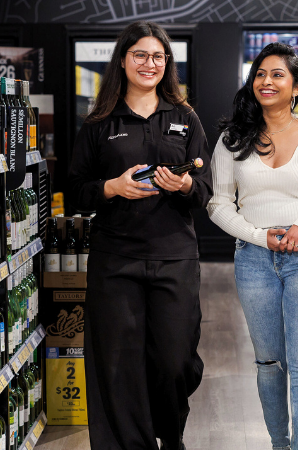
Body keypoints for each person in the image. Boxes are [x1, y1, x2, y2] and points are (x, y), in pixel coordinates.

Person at [67, 21, 211, 450]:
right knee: (117, 366)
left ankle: (171, 433)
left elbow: (207, 190)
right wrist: (112, 187)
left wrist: (184, 185)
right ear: (123, 60)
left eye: (158, 57)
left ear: (167, 64)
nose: (150, 64)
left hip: (174, 256)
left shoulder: (186, 118)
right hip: (116, 261)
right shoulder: (98, 122)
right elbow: (74, 192)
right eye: (140, 55)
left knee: (175, 361)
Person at [207, 42, 298, 450]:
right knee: (269, 364)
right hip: (253, 259)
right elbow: (218, 204)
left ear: (297, 86)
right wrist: (257, 236)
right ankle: (279, 443)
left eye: (277, 75)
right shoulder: (232, 140)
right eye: (260, 74)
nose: (266, 81)